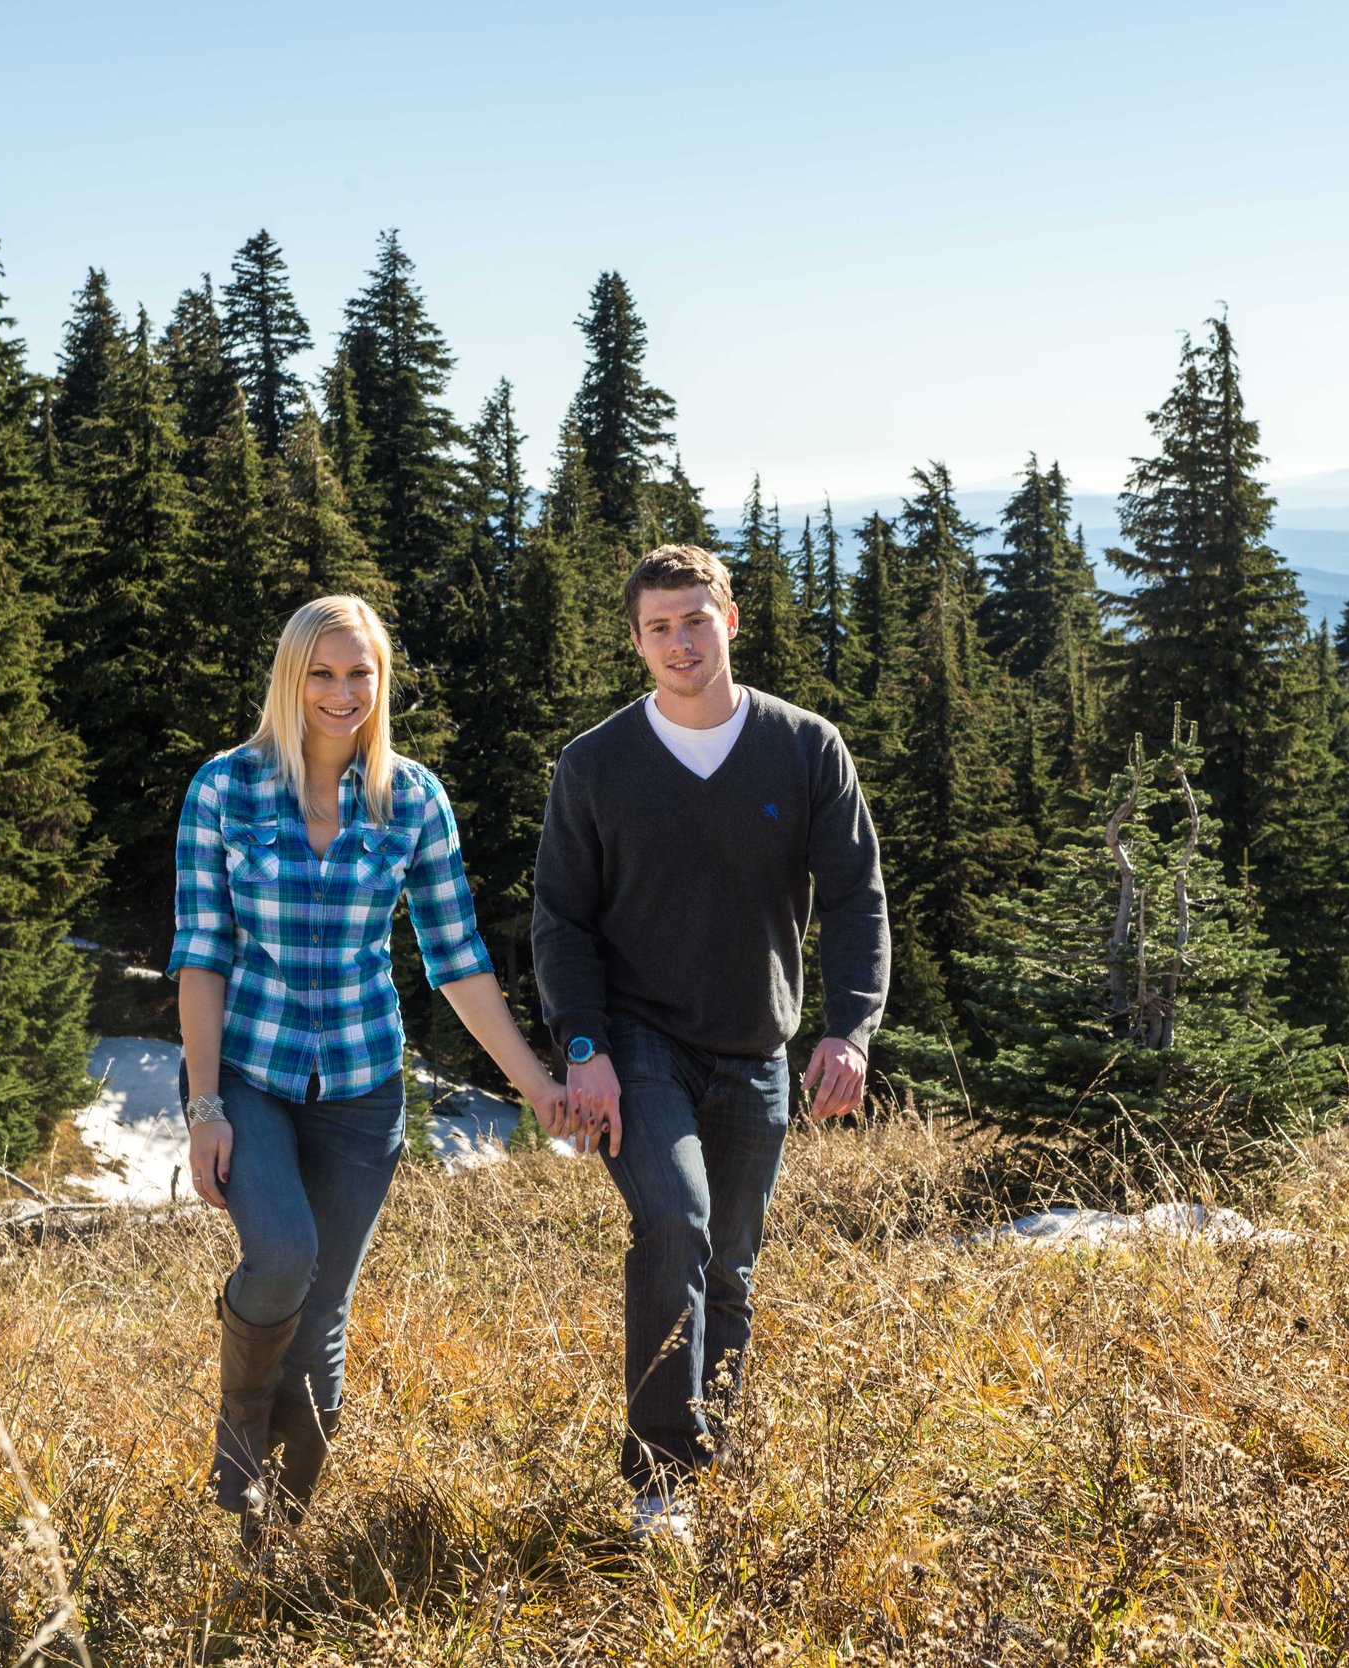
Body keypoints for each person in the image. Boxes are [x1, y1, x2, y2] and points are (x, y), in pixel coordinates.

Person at [169, 594, 563, 1545]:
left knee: (322, 1322)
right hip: (252, 1076)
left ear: (381, 682)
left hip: (362, 1087)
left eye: (360, 674)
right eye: (322, 673)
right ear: (291, 677)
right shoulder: (224, 789)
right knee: (282, 1259)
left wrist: (534, 1084)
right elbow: (202, 955)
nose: (341, 693)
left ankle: (278, 1542)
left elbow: (457, 959)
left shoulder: (412, 799)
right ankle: (237, 1440)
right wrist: (205, 1105)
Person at [532, 544, 891, 1541]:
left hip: (756, 1047)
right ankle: (659, 1483)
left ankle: (708, 1469)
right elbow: (560, 919)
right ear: (636, 641)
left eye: (695, 619)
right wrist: (584, 1045)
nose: (679, 642)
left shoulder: (805, 747)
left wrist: (849, 1028)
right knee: (676, 1224)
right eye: (659, 627)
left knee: (729, 1267)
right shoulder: (595, 763)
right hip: (637, 1042)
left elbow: (856, 898)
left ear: (729, 620)